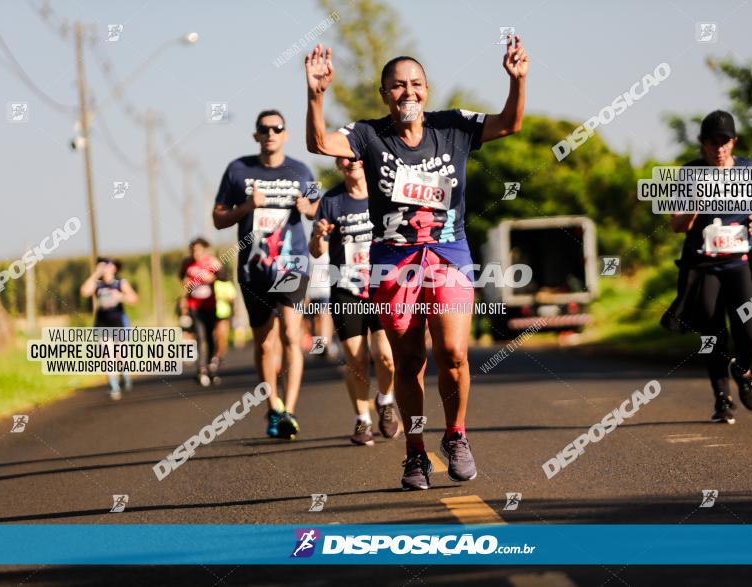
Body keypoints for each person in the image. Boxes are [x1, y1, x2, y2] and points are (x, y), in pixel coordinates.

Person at [304, 39, 528, 489]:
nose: (409, 92)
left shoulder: (454, 126)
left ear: (427, 90)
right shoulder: (369, 135)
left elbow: (510, 124)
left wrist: (516, 80)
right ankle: (415, 452)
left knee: (454, 354)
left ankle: (457, 436)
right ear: (384, 93)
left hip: (449, 255)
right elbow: (319, 143)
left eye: (416, 84)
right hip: (393, 262)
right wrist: (316, 95)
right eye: (398, 86)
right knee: (409, 364)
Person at [212, 109, 318, 440]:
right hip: (254, 270)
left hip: (292, 265)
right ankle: (272, 407)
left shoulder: (300, 170)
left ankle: (289, 409)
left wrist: (308, 208)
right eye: (264, 129)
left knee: (290, 333)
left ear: (285, 134)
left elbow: (319, 207)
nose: (271, 133)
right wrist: (246, 207)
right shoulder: (238, 169)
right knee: (264, 344)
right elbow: (218, 218)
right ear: (256, 135)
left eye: (277, 128)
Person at [666, 110, 752, 424]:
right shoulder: (689, 173)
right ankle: (723, 400)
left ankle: (743, 371)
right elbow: (676, 225)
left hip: (741, 263)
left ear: (733, 143)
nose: (718, 149)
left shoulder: (750, 170)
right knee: (713, 335)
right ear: (702, 145)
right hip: (704, 267)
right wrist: (693, 208)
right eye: (712, 142)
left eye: (724, 142)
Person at [309, 157, 401, 446]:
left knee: (385, 355)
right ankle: (363, 421)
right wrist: (319, 236)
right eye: (343, 159)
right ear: (338, 164)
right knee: (356, 358)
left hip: (382, 286)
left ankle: (385, 399)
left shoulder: (383, 192)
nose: (350, 162)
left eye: (355, 158)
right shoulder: (332, 200)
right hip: (346, 288)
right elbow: (316, 251)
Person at [80, 257, 138, 400]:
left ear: (113, 268)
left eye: (106, 266)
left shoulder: (120, 283)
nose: (104, 269)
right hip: (102, 323)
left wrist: (121, 297)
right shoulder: (97, 284)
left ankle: (125, 375)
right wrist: (95, 274)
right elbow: (84, 292)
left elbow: (134, 299)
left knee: (121, 356)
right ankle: (114, 386)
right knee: (107, 356)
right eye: (101, 266)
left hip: (119, 322)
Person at [179, 238, 222, 386]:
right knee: (200, 336)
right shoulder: (187, 263)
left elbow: (224, 277)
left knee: (210, 336)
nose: (195, 253)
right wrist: (185, 283)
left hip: (210, 305)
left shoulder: (211, 261)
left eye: (198, 250)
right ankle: (201, 369)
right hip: (194, 306)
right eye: (193, 250)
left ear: (203, 250)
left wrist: (214, 276)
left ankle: (211, 365)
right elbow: (181, 277)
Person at [213, 268, 237, 378]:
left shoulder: (227, 284)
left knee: (222, 335)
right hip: (212, 312)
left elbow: (232, 297)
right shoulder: (213, 284)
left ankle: (219, 356)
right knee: (216, 335)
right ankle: (215, 355)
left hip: (223, 313)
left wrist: (226, 297)